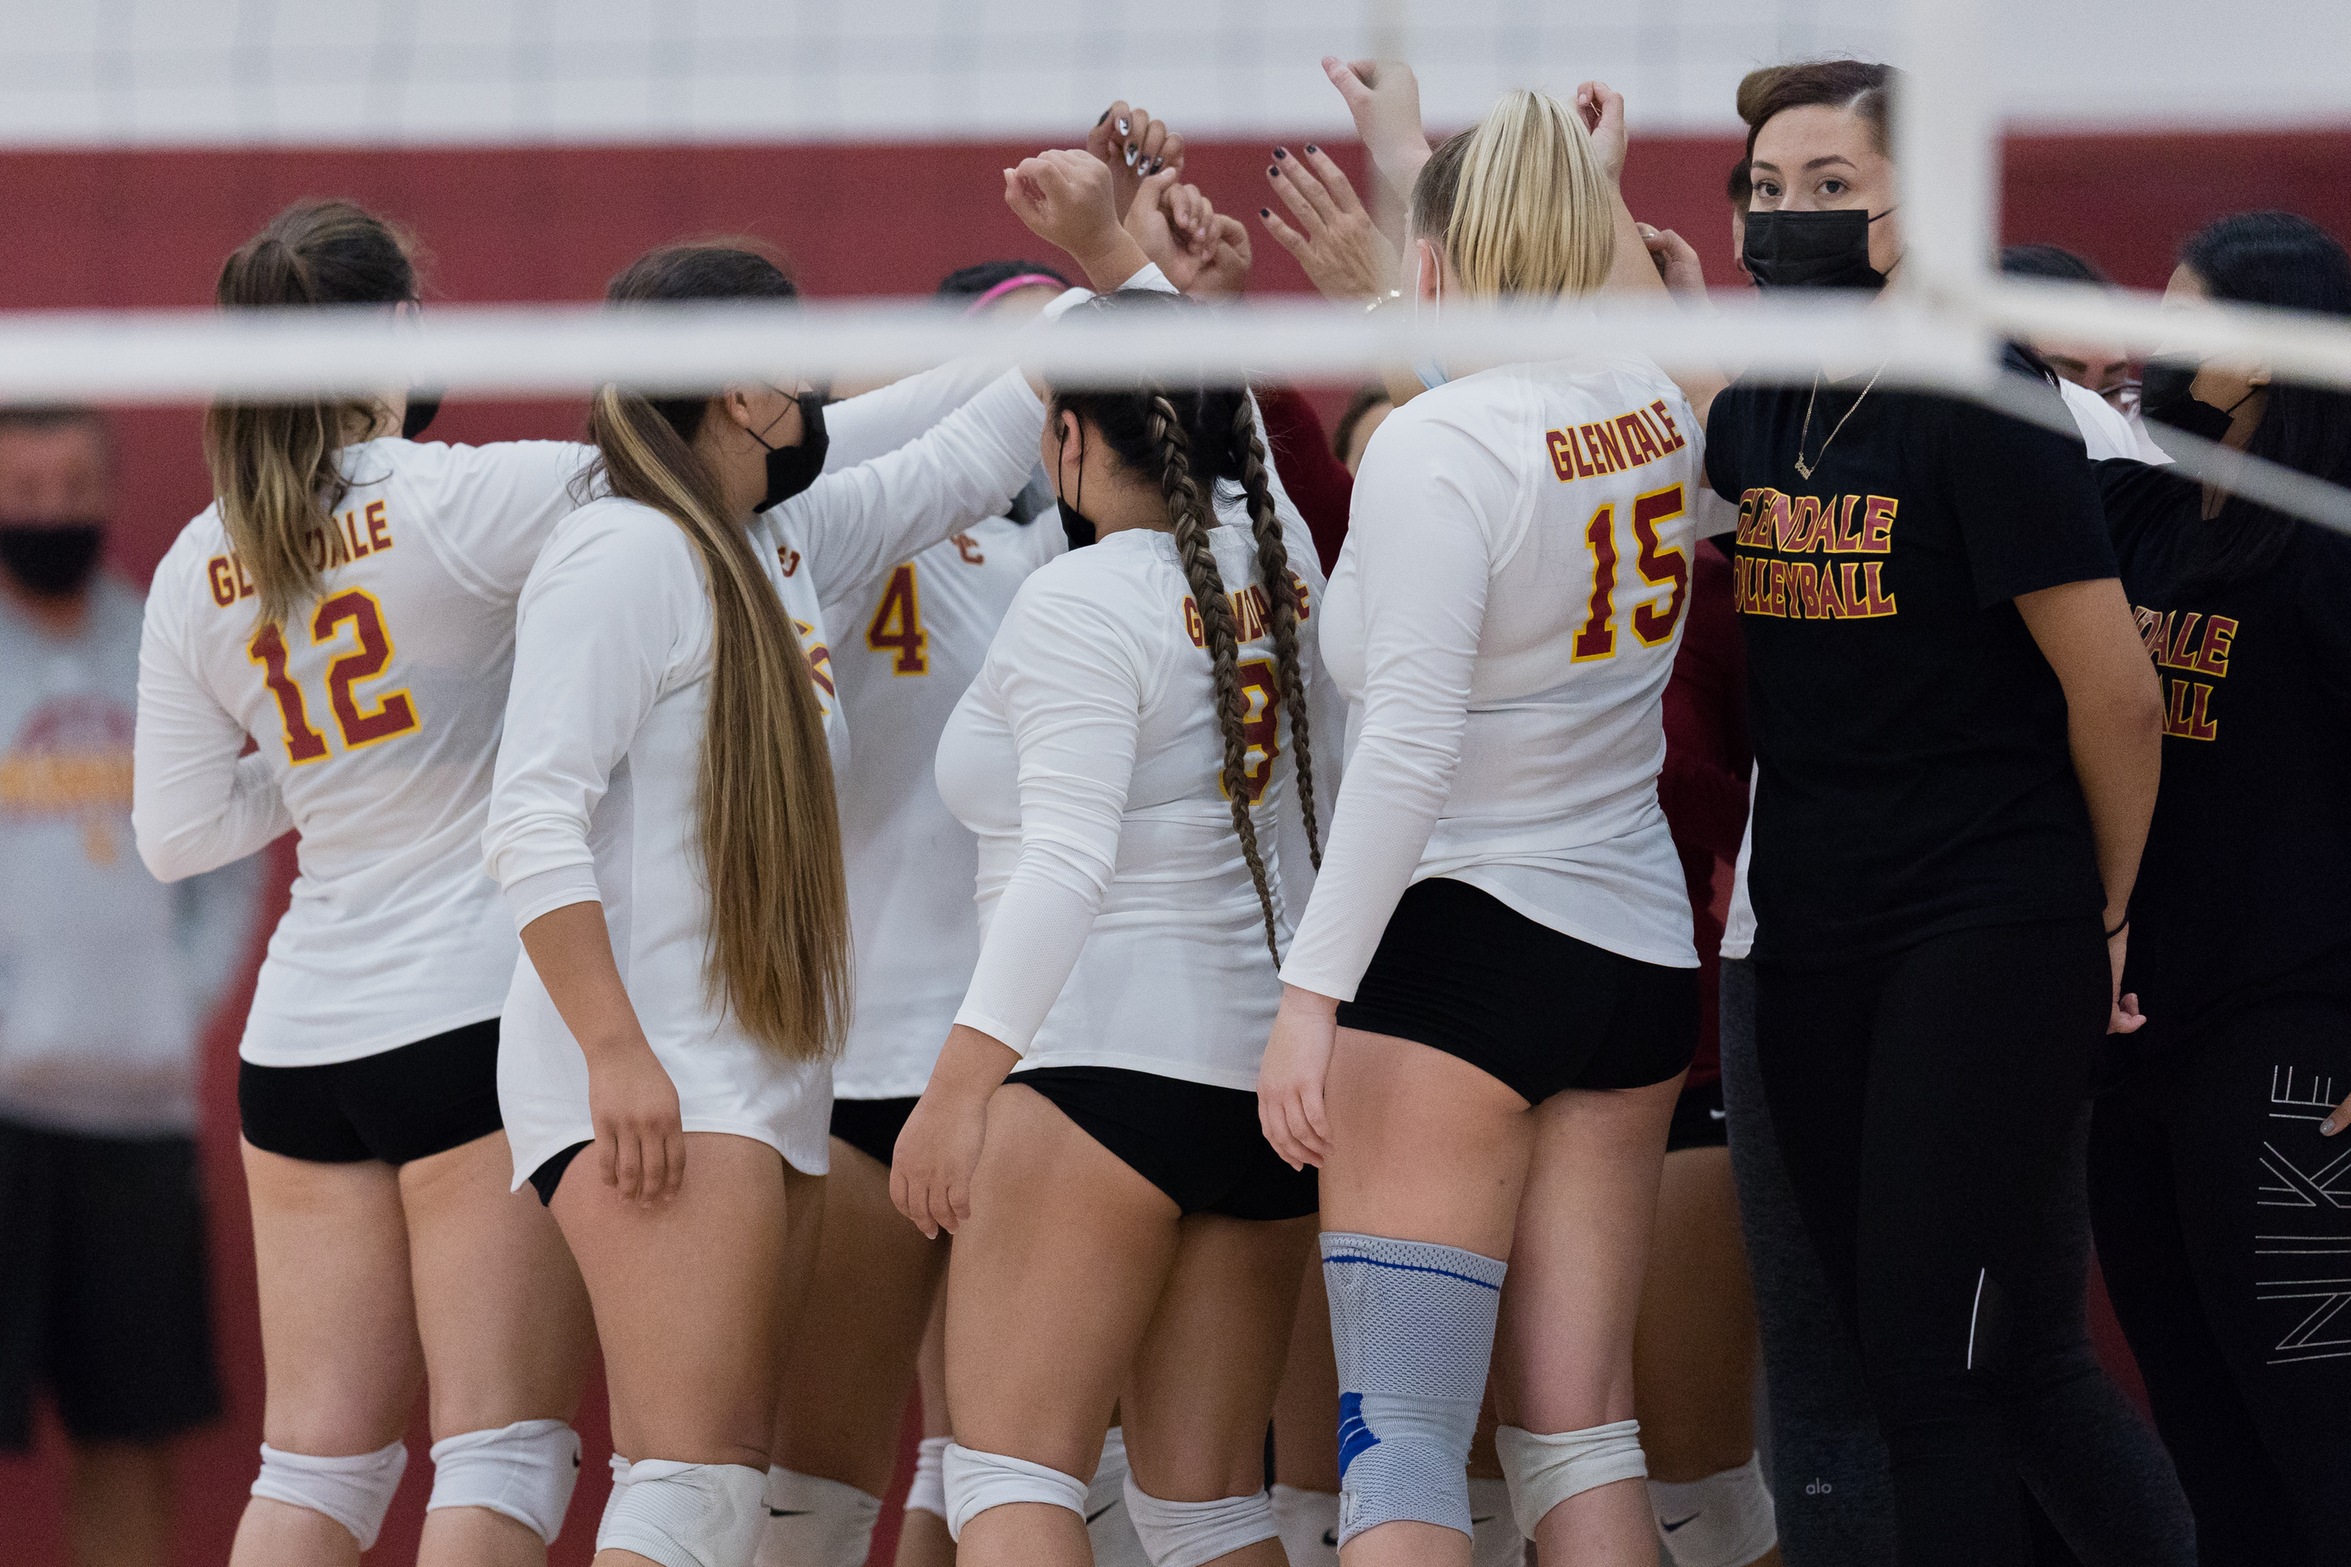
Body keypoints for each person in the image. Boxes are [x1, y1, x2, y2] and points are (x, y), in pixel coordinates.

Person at [484, 161, 1143, 1567]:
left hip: (760, 1063)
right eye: (796, 369)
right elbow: (528, 818)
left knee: (722, 1480)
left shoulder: (778, 536)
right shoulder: (620, 550)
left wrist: (1112, 268)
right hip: (656, 1059)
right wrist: (614, 1053)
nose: (818, 392)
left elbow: (968, 439)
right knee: (686, 1481)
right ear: (736, 392)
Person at [1705, 59, 2191, 1567]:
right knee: (1888, 1352)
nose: (1785, 220)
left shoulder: (1984, 400)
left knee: (1942, 1366)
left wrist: (2097, 913)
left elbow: (2114, 694)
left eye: (1828, 190)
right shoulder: (1754, 400)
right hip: (1809, 928)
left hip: (1984, 919)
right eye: (1765, 193)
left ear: (1923, 209)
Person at [1259, 82, 1713, 1567]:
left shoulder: (1432, 444)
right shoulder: (1650, 402)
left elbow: (1402, 746)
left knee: (1397, 1445)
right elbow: (1537, 328)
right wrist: (1483, 171)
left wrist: (1308, 992)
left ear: (1435, 265)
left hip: (1458, 953)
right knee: (1581, 1434)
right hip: (1635, 958)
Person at [132, 200, 607, 1567]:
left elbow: (176, 834)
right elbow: (700, 482)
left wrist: (322, 764)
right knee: (503, 1449)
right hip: (467, 1021)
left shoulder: (193, 561)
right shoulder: (463, 496)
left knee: (317, 1465)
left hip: (300, 1044)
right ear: (402, 325)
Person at [891, 188, 1339, 1567]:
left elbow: (1067, 863)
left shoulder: (1079, 599)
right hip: (1249, 1088)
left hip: (1091, 1068)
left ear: (1067, 438)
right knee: (1206, 1512)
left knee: (1008, 1482)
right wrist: (1133, 260)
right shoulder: (1285, 562)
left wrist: (956, 1091)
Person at [758, 256, 1073, 1567]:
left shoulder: (1085, 545)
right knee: (816, 1476)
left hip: (1036, 1058)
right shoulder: (828, 516)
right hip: (860, 1052)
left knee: (1002, 1464)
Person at [2086, 209, 2351, 1567]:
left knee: (2315, 1428)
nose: (2147, 348)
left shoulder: (2321, 551)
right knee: (2201, 1435)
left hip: (2290, 1040)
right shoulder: (2139, 517)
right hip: (2137, 1050)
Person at [0, 406, 259, 1567]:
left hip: (137, 1115)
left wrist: (172, 1001)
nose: (50, 511)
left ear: (107, 491)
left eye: (71, 486)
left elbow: (232, 865)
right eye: (25, 487)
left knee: (132, 1436)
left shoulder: (162, 645)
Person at [1632, 537, 1780, 1567]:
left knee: (1694, 1494)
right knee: (1515, 1478)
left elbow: (1746, 793)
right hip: (1482, 1055)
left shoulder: (1711, 587)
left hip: (1690, 1050)